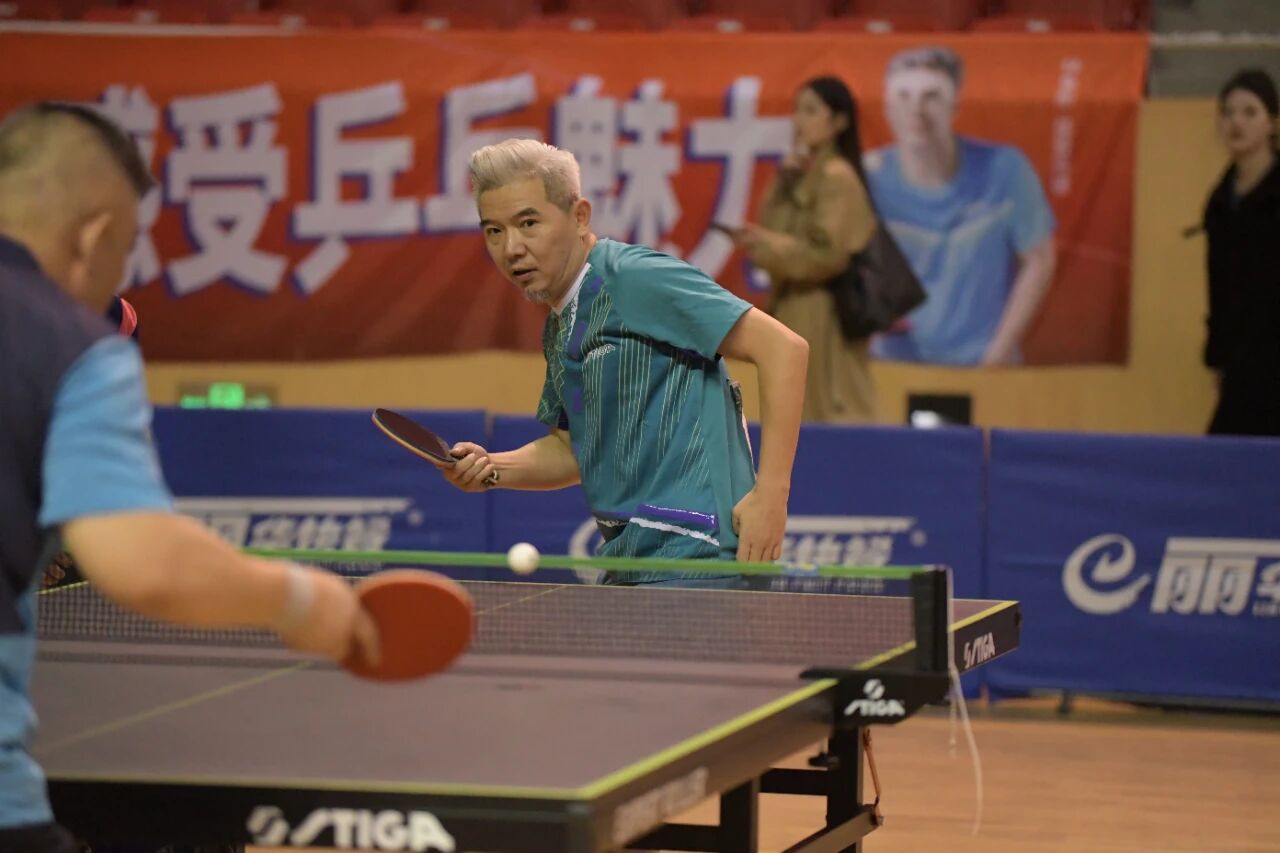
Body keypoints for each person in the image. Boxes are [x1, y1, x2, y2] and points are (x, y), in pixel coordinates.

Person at [0, 101, 380, 853]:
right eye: (125, 250)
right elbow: (147, 564)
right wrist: (302, 600)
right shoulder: (72, 347)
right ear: (94, 237)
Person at [434, 138, 809, 584]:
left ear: (579, 216)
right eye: (494, 231)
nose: (511, 247)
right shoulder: (560, 325)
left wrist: (771, 496)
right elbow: (573, 451)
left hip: (698, 557)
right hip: (633, 562)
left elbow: (784, 349)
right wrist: (492, 468)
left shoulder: (633, 277)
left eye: (528, 223)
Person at [864, 46, 1057, 366]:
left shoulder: (1004, 168)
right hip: (894, 366)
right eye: (903, 96)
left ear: (954, 105)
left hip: (985, 368)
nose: (916, 110)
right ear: (887, 108)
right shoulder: (867, 178)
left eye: (931, 96)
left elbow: (1039, 260)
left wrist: (997, 355)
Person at [733, 75, 878, 423]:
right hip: (792, 307)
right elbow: (772, 232)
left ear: (839, 122)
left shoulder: (837, 176)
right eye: (797, 110)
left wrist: (766, 243)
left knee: (817, 413)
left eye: (811, 111)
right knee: (787, 411)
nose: (799, 120)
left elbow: (826, 256)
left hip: (822, 313)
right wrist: (781, 185)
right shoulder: (800, 173)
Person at [1202, 69, 1280, 437]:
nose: (1236, 122)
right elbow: (1217, 285)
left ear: (1272, 123)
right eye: (1229, 112)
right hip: (1242, 358)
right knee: (1227, 454)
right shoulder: (1220, 202)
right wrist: (1218, 356)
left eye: (1250, 112)